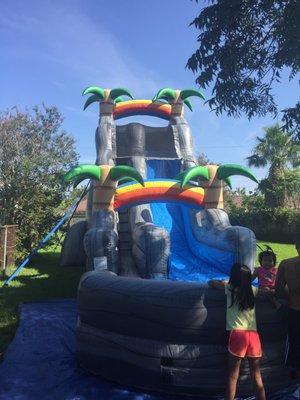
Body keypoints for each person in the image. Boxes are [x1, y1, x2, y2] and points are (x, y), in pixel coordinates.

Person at [209, 263, 266, 400]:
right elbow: (266, 292)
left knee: (233, 376)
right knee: (256, 374)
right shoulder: (253, 290)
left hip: (238, 335)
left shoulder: (230, 288)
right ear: (248, 279)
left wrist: (224, 282)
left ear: (233, 277)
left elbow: (211, 282)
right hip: (253, 335)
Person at [275, 238, 300, 380]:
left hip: (294, 309)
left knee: (295, 345)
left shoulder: (286, 264)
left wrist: (289, 295)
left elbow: (278, 290)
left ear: (296, 247)